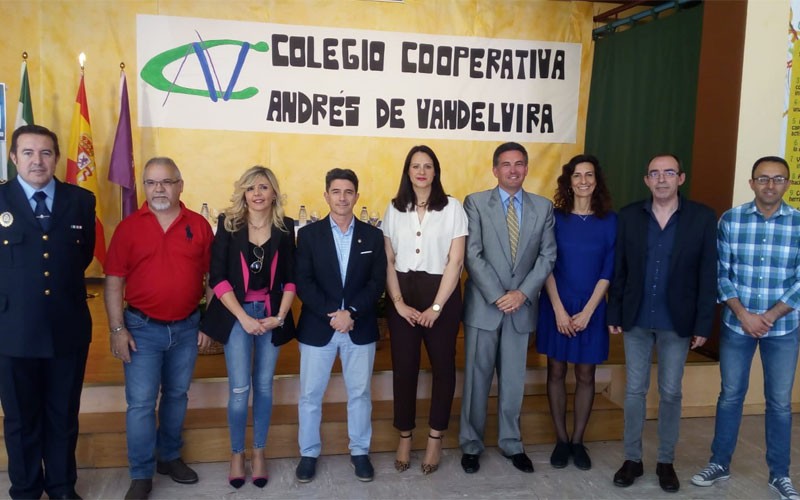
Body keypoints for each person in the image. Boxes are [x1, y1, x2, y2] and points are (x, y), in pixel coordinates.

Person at [104, 157, 213, 500]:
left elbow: (214, 280)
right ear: (145, 188)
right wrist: (117, 329)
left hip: (186, 328)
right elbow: (113, 282)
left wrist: (208, 322)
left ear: (181, 185)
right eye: (151, 183)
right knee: (140, 404)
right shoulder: (129, 227)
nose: (159, 189)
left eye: (166, 182)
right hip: (141, 329)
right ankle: (140, 473)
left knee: (177, 396)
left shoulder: (198, 225)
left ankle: (169, 457)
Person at [691, 156, 800, 500]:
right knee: (730, 396)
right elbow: (720, 273)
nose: (770, 185)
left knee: (780, 403)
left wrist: (769, 316)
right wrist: (744, 315)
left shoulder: (799, 223)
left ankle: (779, 474)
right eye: (763, 179)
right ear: (751, 183)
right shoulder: (731, 220)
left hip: (783, 329)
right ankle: (719, 463)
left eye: (778, 179)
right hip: (738, 325)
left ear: (788, 184)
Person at [608, 153, 717, 493]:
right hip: (637, 318)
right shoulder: (629, 216)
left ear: (681, 178)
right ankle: (632, 459)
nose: (662, 179)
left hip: (677, 321)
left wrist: (703, 323)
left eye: (669, 172)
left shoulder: (701, 218)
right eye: (655, 173)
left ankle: (666, 461)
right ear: (647, 180)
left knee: (670, 392)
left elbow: (707, 274)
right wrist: (614, 313)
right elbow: (619, 269)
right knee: (635, 390)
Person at [0, 125, 95, 500]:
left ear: (57, 158)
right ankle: (25, 489)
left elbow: (82, 256)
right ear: (13, 157)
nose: (37, 161)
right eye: (28, 153)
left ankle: (60, 486)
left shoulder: (81, 201)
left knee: (62, 416)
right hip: (12, 329)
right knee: (21, 419)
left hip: (66, 327)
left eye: (45, 153)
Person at [459, 142, 557, 475]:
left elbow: (547, 256)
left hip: (521, 309)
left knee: (513, 382)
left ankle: (512, 444)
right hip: (484, 307)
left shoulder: (543, 208)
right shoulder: (475, 203)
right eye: (505, 164)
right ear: (495, 169)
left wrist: (522, 294)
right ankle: (471, 444)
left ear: (527, 169)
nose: (512, 170)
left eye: (519, 164)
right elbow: (472, 253)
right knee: (476, 379)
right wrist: (499, 294)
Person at [200, 166, 297, 489]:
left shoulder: (286, 228)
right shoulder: (228, 226)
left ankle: (259, 453)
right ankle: (237, 454)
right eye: (251, 188)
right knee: (240, 389)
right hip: (236, 315)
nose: (257, 193)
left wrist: (280, 317)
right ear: (243, 192)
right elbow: (218, 276)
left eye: (264, 187)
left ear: (274, 193)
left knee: (265, 387)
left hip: (271, 315)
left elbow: (291, 279)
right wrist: (242, 317)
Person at [293, 168, 387, 483]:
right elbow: (303, 282)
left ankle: (360, 452)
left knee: (360, 393)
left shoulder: (373, 236)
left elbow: (377, 282)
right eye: (336, 191)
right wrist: (333, 314)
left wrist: (352, 313)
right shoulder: (308, 235)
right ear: (326, 195)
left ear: (356, 196)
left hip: (358, 327)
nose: (342, 197)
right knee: (309, 395)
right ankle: (308, 453)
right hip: (320, 326)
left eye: (348, 192)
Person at [383, 146, 467, 475]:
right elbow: (388, 260)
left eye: (427, 166)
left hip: (441, 295)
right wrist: (399, 302)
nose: (421, 171)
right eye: (415, 166)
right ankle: (405, 435)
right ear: (408, 171)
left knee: (443, 368)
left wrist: (436, 306)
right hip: (402, 293)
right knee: (404, 367)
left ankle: (435, 437)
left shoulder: (453, 207)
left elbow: (456, 261)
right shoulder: (393, 208)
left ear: (436, 172)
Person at [536, 154, 616, 471]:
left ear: (597, 181)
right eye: (577, 175)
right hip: (556, 303)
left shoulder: (610, 220)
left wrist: (587, 312)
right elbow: (546, 264)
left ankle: (578, 441)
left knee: (586, 375)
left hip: (591, 307)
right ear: (568, 181)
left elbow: (608, 270)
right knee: (555, 372)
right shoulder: (554, 218)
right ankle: (560, 439)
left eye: (589, 175)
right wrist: (557, 308)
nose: (583, 181)